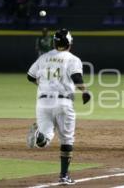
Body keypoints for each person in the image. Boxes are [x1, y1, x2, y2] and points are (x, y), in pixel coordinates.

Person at [26, 28, 91, 185]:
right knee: (67, 139)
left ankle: (39, 136)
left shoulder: (43, 57)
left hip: (42, 102)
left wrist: (42, 85)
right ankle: (64, 176)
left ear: (54, 42)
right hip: (63, 103)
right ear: (69, 43)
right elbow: (76, 77)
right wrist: (85, 90)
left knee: (45, 139)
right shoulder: (72, 59)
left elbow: (30, 76)